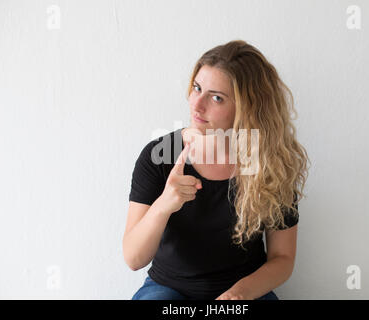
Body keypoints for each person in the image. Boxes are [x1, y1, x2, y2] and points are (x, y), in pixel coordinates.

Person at [123, 40, 310, 300]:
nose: (197, 105)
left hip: (245, 291)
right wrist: (164, 204)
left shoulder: (270, 163)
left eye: (216, 97)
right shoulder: (159, 157)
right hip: (169, 291)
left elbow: (283, 258)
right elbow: (134, 258)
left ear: (246, 108)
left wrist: (240, 293)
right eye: (197, 88)